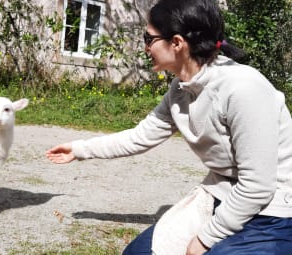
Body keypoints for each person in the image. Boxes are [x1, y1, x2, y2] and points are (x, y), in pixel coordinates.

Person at [46, 0, 292, 254]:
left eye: (148, 38)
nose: (144, 47)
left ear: (177, 43)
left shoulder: (243, 88)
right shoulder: (180, 90)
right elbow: (141, 136)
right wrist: (79, 149)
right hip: (223, 195)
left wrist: (206, 238)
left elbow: (258, 187)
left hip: (275, 211)